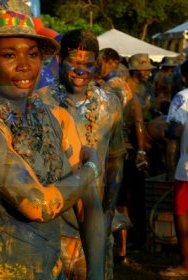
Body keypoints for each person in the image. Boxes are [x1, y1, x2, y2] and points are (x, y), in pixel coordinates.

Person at [0, 1, 99, 279]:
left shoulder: (46, 116)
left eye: (32, 54)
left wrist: (96, 270)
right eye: (8, 55)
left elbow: (85, 205)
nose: (24, 66)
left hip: (47, 268)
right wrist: (89, 170)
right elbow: (38, 205)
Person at [38, 29, 125, 280]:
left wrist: (108, 214)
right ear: (59, 60)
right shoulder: (40, 103)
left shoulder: (110, 103)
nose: (80, 71)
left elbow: (116, 160)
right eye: (74, 63)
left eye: (88, 64)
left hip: (96, 226)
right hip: (52, 226)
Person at [95, 48, 147, 264]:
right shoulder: (124, 90)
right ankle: (121, 248)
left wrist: (141, 151)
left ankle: (120, 248)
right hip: (120, 153)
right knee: (121, 201)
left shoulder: (111, 90)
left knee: (117, 201)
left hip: (118, 154)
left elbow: (137, 122)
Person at [160, 60, 188, 278]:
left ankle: (186, 264)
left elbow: (174, 132)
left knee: (183, 214)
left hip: (186, 169)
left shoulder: (183, 97)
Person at [126, 53, 156, 122]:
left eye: (149, 70)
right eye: (144, 70)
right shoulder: (125, 86)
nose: (148, 73)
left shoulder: (148, 86)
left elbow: (153, 108)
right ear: (134, 71)